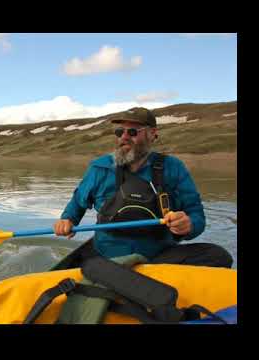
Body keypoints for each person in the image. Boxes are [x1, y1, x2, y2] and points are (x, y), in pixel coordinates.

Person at [53, 107, 233, 268]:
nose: (124, 137)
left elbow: (196, 213)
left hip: (159, 257)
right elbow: (78, 201)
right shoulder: (99, 167)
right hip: (106, 253)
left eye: (132, 131)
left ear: (152, 134)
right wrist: (68, 219)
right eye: (119, 131)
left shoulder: (173, 167)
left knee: (218, 256)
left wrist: (188, 225)